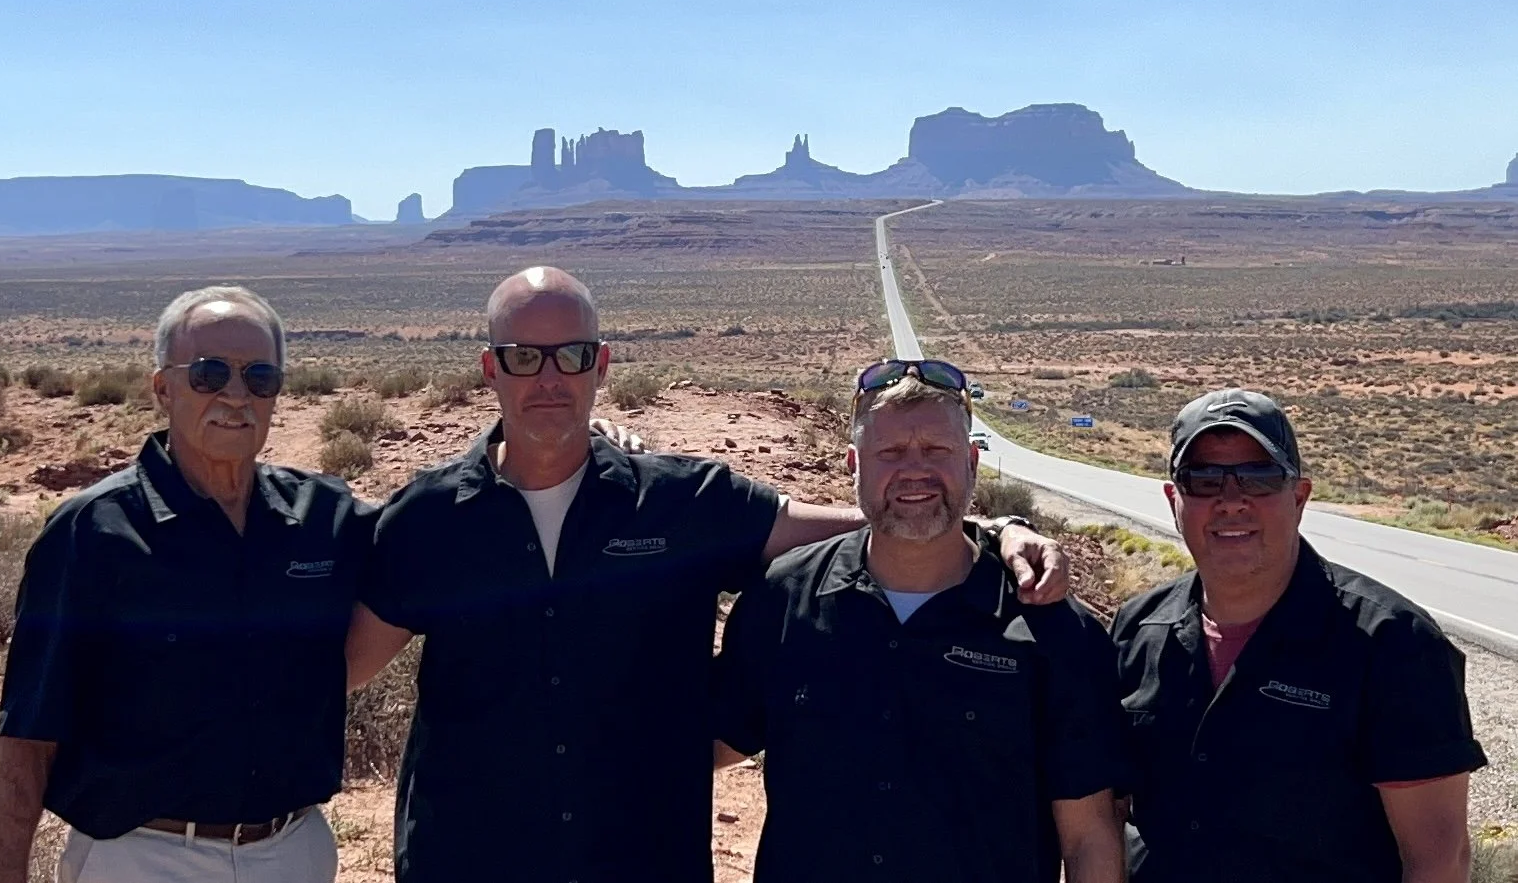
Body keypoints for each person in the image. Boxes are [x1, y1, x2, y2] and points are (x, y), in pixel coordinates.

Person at [344, 267, 1069, 883]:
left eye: (570, 356)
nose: (549, 379)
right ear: (489, 367)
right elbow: (340, 668)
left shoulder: (683, 503)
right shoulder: (430, 518)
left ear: (601, 365)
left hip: (638, 860)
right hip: (468, 860)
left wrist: (988, 528)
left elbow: (840, 521)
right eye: (524, 358)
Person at [0, 287, 374, 883]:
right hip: (141, 855)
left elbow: (431, 550)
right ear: (163, 388)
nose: (236, 396)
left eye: (260, 377)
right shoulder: (95, 531)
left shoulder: (325, 518)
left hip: (292, 849)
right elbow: (26, 741)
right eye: (209, 373)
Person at [713, 360, 1125, 883]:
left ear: (972, 462)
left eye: (937, 451)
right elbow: (709, 741)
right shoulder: (784, 600)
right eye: (889, 453)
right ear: (852, 464)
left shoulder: (1051, 628)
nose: (915, 471)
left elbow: (1088, 834)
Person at [1112, 388, 1488, 883]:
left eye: (1259, 478)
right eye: (1203, 480)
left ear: (1300, 497)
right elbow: (1106, 817)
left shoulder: (1393, 645)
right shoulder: (1135, 631)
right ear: (1173, 499)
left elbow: (1439, 861)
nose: (1231, 501)